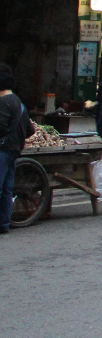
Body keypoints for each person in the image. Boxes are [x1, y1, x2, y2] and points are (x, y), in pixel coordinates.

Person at [0, 63, 32, 233]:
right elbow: (30, 129)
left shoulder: (4, 102)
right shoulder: (19, 103)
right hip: (14, 150)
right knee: (6, 188)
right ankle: (4, 223)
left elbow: (1, 126)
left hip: (3, 149)